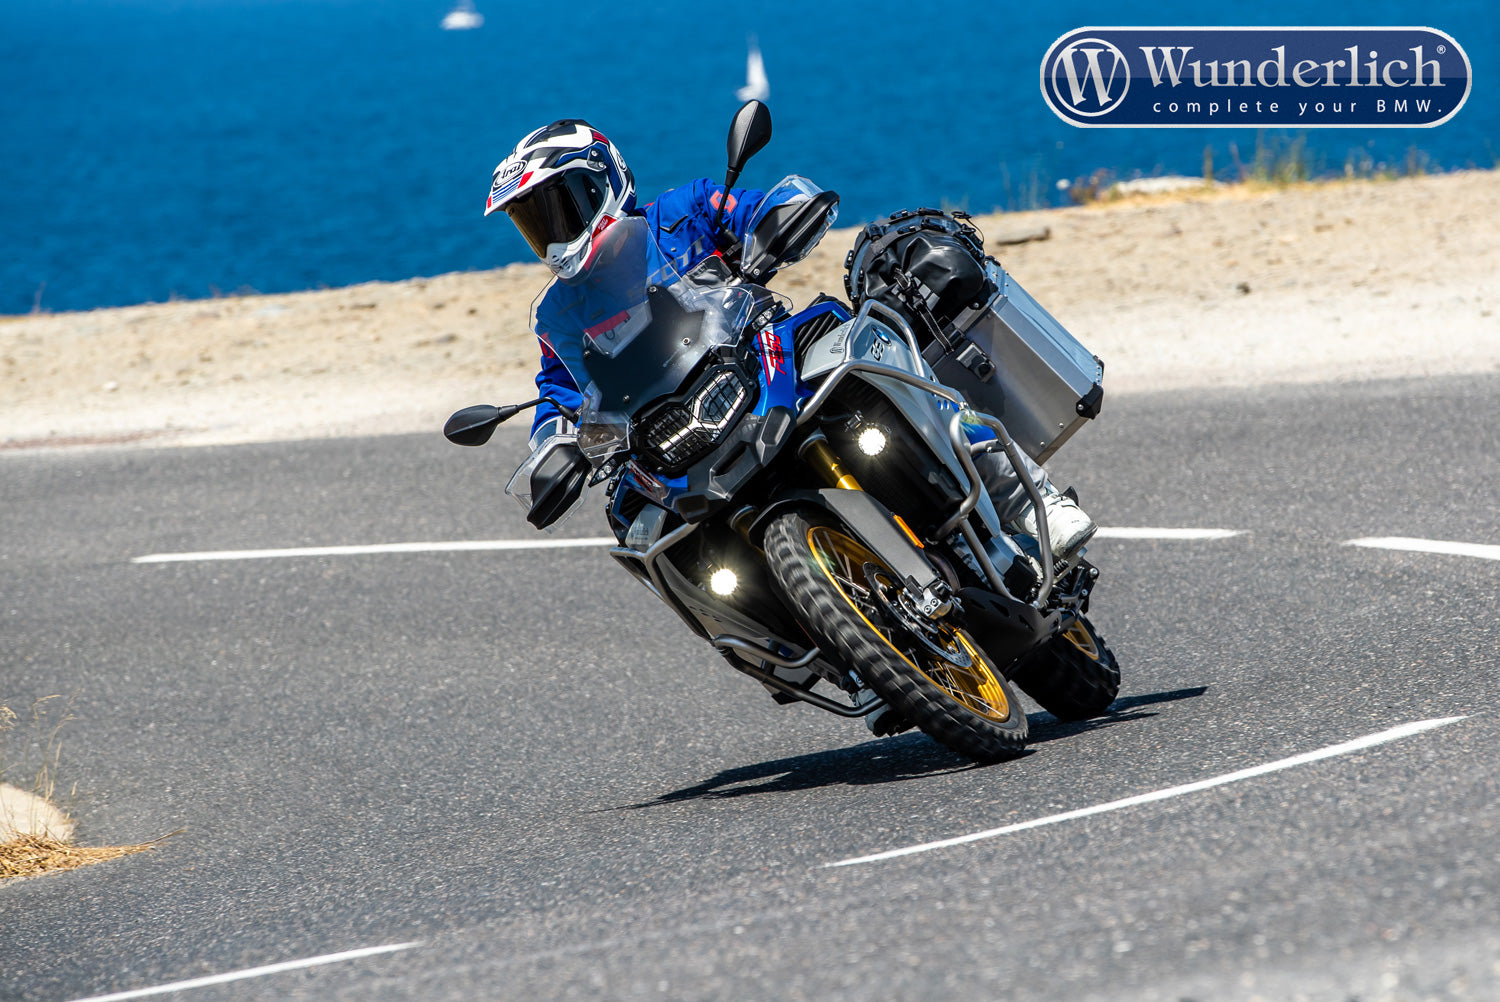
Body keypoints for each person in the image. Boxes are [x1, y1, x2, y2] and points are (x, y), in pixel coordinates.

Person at [484, 118, 1095, 561]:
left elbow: (755, 211)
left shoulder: (682, 212)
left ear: (602, 181)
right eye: (533, 224)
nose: (551, 237)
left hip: (763, 361)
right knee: (642, 528)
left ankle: (1030, 501)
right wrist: (550, 447)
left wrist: (775, 223)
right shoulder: (559, 315)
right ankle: (803, 649)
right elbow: (558, 389)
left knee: (877, 356)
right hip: (677, 431)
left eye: (557, 209)